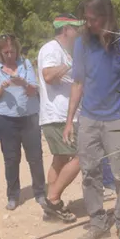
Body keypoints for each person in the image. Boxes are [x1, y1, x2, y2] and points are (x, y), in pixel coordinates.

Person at [64, 0, 120, 239]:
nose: (88, 24)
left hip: (117, 119)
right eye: (86, 19)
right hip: (88, 118)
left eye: (93, 19)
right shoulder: (82, 45)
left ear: (107, 17)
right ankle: (98, 222)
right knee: (89, 173)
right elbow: (78, 83)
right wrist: (69, 121)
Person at [0, 34, 45, 212]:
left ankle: (40, 192)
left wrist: (22, 82)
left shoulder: (26, 65)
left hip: (30, 118)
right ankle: (13, 196)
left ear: (17, 49)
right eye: (6, 52)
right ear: (0, 52)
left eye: (12, 51)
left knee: (35, 158)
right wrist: (1, 88)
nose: (10, 55)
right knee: (11, 159)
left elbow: (34, 91)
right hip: (6, 119)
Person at [37, 15, 83, 223]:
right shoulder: (51, 49)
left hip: (61, 115)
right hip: (57, 115)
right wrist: (72, 63)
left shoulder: (62, 51)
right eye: (76, 28)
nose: (79, 32)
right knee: (82, 155)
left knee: (60, 159)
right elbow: (48, 75)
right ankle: (53, 200)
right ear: (66, 29)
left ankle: (51, 207)